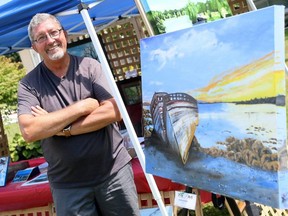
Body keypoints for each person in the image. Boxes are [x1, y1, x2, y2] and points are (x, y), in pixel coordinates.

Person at [17, 13, 140, 216]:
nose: (50, 40)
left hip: (113, 173)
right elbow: (30, 130)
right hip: (68, 186)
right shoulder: (29, 85)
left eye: (54, 32)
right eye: (41, 38)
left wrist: (62, 128)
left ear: (64, 34)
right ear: (34, 47)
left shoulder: (90, 67)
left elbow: (113, 110)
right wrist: (81, 107)